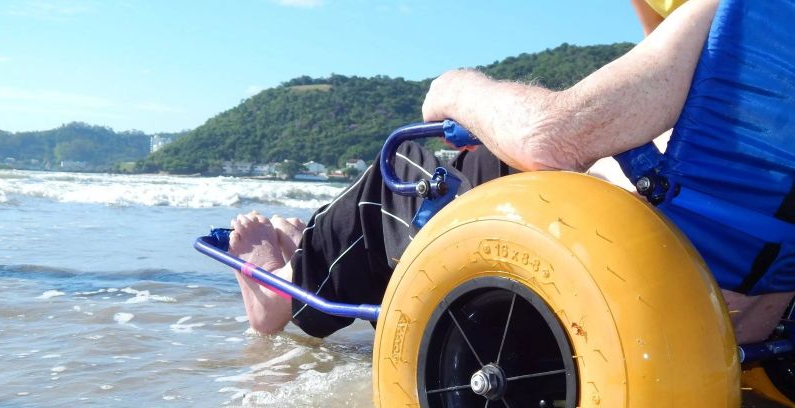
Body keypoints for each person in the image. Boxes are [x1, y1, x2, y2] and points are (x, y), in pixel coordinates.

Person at [230, 0, 795, 345]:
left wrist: (456, 87)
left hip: (625, 274)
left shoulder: (746, 20)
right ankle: (315, 248)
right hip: (752, 286)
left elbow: (553, 138)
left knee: (406, 164)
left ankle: (291, 289)